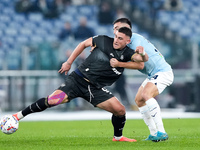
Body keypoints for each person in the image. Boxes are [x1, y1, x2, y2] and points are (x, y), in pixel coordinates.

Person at [12, 27, 148, 142]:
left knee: (120, 110)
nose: (116, 40)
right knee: (53, 100)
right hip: (77, 79)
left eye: (120, 38)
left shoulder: (128, 53)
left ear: (127, 41)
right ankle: (17, 116)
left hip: (95, 88)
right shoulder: (103, 40)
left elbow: (141, 61)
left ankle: (118, 137)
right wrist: (69, 62)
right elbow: (83, 44)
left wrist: (141, 54)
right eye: (116, 36)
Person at [110, 18, 174, 142]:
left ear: (127, 29)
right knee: (139, 100)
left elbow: (141, 65)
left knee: (146, 95)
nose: (115, 32)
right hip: (152, 74)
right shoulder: (126, 43)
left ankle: (162, 131)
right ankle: (154, 134)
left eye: (118, 28)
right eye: (114, 29)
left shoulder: (135, 43)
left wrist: (119, 63)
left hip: (162, 72)